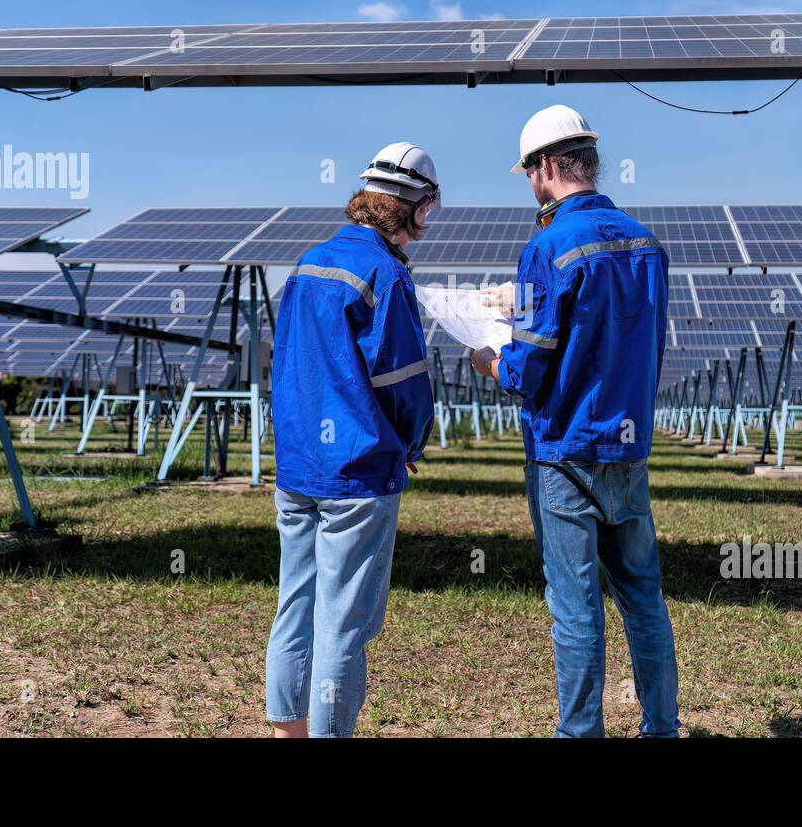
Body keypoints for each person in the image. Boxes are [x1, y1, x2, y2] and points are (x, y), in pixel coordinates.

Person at [470, 105, 680, 738]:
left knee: (576, 608)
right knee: (642, 596)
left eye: (529, 171)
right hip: (628, 444)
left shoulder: (548, 245)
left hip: (564, 449)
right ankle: (661, 729)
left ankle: (581, 733)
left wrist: (491, 361)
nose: (529, 184)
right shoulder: (646, 242)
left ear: (549, 167)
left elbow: (530, 366)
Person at [266, 143, 438, 738]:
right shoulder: (386, 274)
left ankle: (289, 730)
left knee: (297, 606)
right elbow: (403, 382)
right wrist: (410, 444)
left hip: (298, 468)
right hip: (358, 473)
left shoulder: (307, 264)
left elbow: (286, 366)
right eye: (429, 210)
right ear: (415, 208)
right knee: (343, 624)